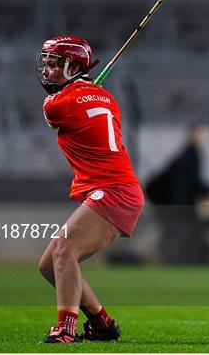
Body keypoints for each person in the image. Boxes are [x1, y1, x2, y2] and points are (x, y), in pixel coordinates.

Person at [36, 36, 144, 343]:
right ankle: (101, 323)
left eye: (54, 64)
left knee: (64, 250)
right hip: (118, 189)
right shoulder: (106, 97)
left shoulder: (59, 104)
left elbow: (52, 112)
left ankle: (65, 328)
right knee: (49, 267)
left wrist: (72, 90)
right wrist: (80, 88)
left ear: (73, 67)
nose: (46, 70)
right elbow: (84, 105)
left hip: (114, 191)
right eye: (45, 63)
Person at [146, 124, 209, 264]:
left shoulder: (193, 153)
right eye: (200, 133)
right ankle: (172, 259)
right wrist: (182, 208)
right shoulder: (189, 155)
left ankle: (174, 258)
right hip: (168, 201)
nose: (204, 136)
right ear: (192, 134)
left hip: (170, 200)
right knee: (176, 231)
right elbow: (182, 184)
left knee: (176, 231)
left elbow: (192, 183)